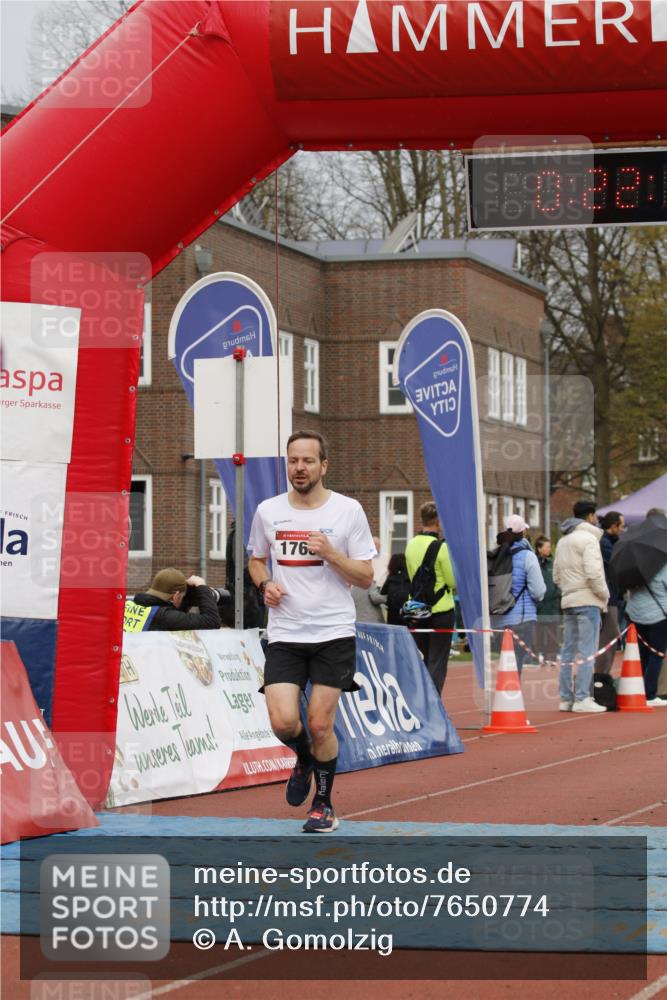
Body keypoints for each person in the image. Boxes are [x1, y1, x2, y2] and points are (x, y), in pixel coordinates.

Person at [248, 430, 375, 833]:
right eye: (292, 461)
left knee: (321, 724)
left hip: (333, 632)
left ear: (324, 466)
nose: (299, 468)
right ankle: (303, 756)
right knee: (284, 722)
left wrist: (331, 553)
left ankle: (323, 804)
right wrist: (265, 584)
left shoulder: (347, 511)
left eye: (307, 461)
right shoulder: (268, 511)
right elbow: (256, 560)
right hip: (285, 632)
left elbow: (367, 576)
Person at [553, 500, 609, 713]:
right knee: (587, 651)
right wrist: (604, 595)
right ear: (590, 516)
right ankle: (583, 698)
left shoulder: (563, 541)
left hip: (569, 600)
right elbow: (594, 573)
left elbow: (556, 575)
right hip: (588, 600)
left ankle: (566, 698)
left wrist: (568, 589)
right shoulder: (589, 539)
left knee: (568, 650)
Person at [404, 501, 456, 694]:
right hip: (440, 609)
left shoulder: (410, 545)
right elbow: (452, 581)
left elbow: (411, 575)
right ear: (438, 522)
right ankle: (434, 705)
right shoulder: (442, 548)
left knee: (421, 659)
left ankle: (420, 702)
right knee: (437, 660)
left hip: (416, 608)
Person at [491, 516, 546, 674]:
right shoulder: (527, 556)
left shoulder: (495, 555)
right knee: (516, 666)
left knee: (505, 665)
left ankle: (504, 696)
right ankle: (512, 697)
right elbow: (538, 591)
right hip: (521, 619)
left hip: (498, 618)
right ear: (523, 532)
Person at [625, 530, 667, 709]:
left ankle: (637, 689)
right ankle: (650, 693)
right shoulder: (662, 566)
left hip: (636, 613)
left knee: (640, 654)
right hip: (658, 614)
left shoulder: (632, 567)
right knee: (657, 654)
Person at [124, 568, 222, 632]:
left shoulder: (127, 605)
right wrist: (201, 587)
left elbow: (171, 615)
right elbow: (212, 621)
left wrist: (186, 601)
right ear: (175, 596)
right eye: (182, 597)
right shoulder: (164, 616)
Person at [595, 511, 625, 674]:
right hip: (609, 596)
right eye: (622, 526)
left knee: (611, 638)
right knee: (609, 637)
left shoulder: (611, 541)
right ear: (614, 526)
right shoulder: (605, 544)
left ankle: (603, 675)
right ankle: (600, 676)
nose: (623, 529)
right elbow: (616, 562)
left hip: (614, 594)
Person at [534, 534, 561, 664]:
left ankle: (551, 656)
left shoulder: (553, 563)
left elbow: (558, 579)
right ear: (539, 548)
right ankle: (536, 655)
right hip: (539, 606)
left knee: (553, 632)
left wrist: (558, 593)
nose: (550, 549)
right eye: (547, 546)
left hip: (552, 605)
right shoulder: (534, 563)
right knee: (538, 632)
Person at [380, 552, 410, 626]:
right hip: (408, 611)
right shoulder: (410, 577)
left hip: (393, 613)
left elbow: (383, 592)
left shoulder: (391, 578)